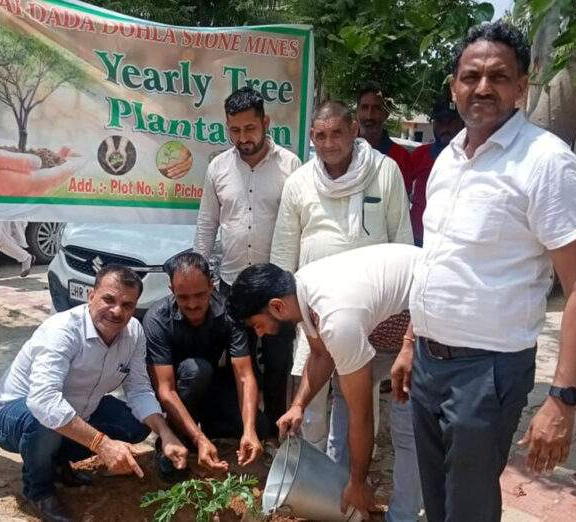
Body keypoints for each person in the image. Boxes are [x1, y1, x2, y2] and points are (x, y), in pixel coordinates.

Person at [390, 21, 576, 522]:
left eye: (499, 76)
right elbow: (438, 261)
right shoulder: (449, 160)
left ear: (522, 87)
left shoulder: (545, 162)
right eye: (471, 76)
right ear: (454, 86)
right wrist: (411, 343)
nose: (482, 88)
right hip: (429, 364)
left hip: (487, 372)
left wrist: (563, 399)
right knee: (440, 501)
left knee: (468, 510)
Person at [227, 243, 423, 521]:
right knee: (345, 392)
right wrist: (298, 405)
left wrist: (359, 480)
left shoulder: (335, 317)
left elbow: (363, 415)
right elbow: (320, 354)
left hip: (424, 319)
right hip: (383, 327)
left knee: (406, 424)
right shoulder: (302, 292)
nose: (259, 334)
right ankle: (343, 497)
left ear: (276, 306)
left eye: (257, 324)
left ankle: (400, 514)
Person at [0, 265, 188, 522]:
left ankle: (56, 463)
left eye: (127, 304)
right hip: (15, 415)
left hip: (78, 407)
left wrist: (167, 434)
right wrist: (102, 444)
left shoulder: (134, 333)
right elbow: (43, 401)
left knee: (135, 427)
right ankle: (38, 491)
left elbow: (138, 389)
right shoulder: (62, 331)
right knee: (43, 421)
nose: (117, 311)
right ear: (91, 296)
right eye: (108, 299)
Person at [271, 99, 413, 458]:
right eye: (321, 135)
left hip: (370, 313)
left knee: (357, 397)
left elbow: (404, 244)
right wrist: (284, 312)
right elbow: (284, 251)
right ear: (312, 138)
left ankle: (349, 475)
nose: (329, 143)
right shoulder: (299, 182)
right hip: (312, 311)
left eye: (337, 133)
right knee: (312, 398)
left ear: (353, 131)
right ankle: (311, 476)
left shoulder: (385, 171)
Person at [194, 87, 301, 441]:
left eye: (250, 129)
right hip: (230, 286)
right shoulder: (218, 168)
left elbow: (299, 223)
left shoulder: (291, 166)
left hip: (277, 291)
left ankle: (274, 432)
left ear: (265, 122)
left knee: (278, 362)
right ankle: (242, 429)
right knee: (238, 362)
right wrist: (200, 272)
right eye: (235, 131)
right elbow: (207, 223)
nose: (243, 138)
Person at [143, 252, 269, 481]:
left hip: (212, 386)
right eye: (183, 297)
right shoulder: (157, 319)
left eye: (200, 295)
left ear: (212, 286)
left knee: (259, 426)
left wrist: (249, 429)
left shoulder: (230, 313)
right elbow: (165, 389)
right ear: (172, 291)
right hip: (180, 390)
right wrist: (198, 438)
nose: (192, 304)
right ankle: (171, 440)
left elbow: (244, 375)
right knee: (196, 370)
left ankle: (208, 432)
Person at [409, 101, 464, 246]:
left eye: (451, 122)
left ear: (462, 122)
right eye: (440, 122)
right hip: (417, 239)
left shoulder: (471, 158)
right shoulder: (420, 155)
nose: (446, 128)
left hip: (452, 241)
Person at [356, 83, 412, 192]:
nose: (369, 116)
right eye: (364, 107)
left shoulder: (401, 157)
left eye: (376, 108)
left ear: (386, 113)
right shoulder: (344, 150)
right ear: (357, 111)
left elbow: (402, 204)